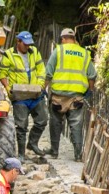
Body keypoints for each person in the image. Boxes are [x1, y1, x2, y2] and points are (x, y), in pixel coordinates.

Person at [44, 28, 97, 161]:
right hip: (76, 97)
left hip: (58, 96)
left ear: (63, 39)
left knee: (55, 123)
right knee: (76, 125)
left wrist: (42, 89)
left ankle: (54, 151)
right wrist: (90, 91)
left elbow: (48, 73)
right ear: (74, 39)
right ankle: (78, 155)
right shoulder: (84, 53)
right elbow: (92, 75)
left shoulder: (59, 51)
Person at [0, 31, 49, 161]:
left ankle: (32, 143)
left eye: (29, 44)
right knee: (21, 126)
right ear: (18, 42)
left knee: (42, 120)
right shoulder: (9, 55)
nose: (27, 47)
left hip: (36, 94)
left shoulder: (34, 52)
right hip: (20, 97)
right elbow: (2, 74)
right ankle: (21, 154)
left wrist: (40, 85)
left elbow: (41, 70)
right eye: (25, 44)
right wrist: (8, 88)